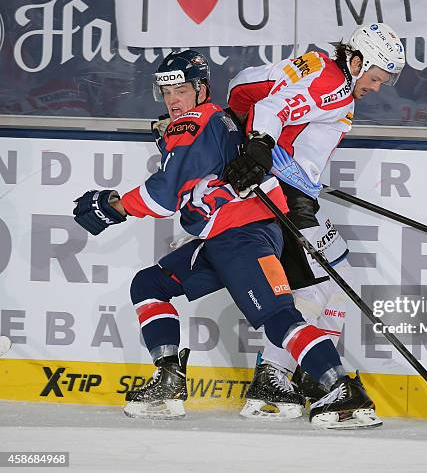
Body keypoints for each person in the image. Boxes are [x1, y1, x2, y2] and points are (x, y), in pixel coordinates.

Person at [72, 49, 381, 429]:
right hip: (223, 237)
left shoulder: (192, 125)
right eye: (166, 93)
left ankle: (339, 390)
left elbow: (162, 196)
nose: (173, 101)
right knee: (149, 284)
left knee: (279, 317)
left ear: (201, 89)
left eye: (181, 91)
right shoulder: (221, 119)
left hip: (243, 237)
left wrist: (113, 206)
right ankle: (169, 379)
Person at [224, 23, 405, 419]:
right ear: (356, 61)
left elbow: (260, 97)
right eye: (374, 77)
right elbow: (268, 108)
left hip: (286, 186)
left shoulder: (331, 72)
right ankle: (278, 377)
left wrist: (299, 177)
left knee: (338, 278)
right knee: (322, 285)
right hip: (275, 191)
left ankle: (302, 374)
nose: (376, 87)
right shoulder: (334, 84)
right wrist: (259, 148)